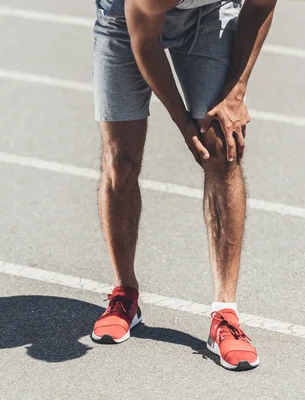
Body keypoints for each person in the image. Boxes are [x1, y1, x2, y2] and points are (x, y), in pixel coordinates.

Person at [89, 0, 277, 371]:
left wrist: (235, 95)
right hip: (127, 18)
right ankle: (124, 293)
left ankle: (226, 313)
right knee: (121, 160)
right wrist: (184, 124)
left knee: (223, 149)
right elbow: (145, 41)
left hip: (210, 15)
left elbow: (260, 6)